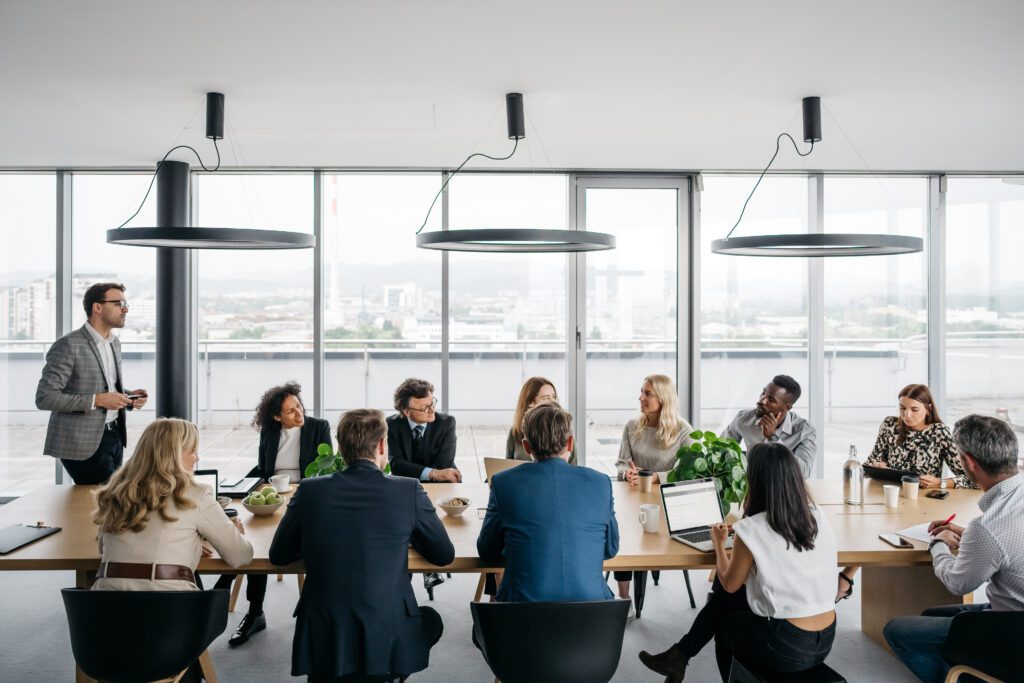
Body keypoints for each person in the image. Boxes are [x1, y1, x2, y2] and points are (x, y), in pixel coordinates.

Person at [270, 409, 455, 682]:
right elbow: (443, 555)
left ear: (341, 448)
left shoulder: (310, 490)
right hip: (386, 627)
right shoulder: (408, 490)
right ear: (382, 445)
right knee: (430, 620)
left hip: (325, 631)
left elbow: (279, 555)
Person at [639, 442, 838, 682]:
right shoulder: (818, 517)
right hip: (825, 640)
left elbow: (729, 582)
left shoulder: (752, 528)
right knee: (727, 600)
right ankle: (678, 657)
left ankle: (683, 659)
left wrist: (720, 544)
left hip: (786, 646)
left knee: (723, 616)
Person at [883, 415, 1023, 683]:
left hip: (1012, 630)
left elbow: (958, 583)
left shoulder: (989, 528)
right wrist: (970, 534)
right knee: (929, 615)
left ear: (969, 462)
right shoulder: (1007, 508)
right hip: (1013, 611)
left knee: (898, 630)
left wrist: (937, 545)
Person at [213, 382, 333, 647]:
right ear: (277, 417)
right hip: (273, 497)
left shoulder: (318, 427)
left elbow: (325, 470)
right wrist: (238, 487)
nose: (299, 414)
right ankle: (256, 612)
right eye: (291, 411)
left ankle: (227, 590)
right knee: (253, 540)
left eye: (299, 406)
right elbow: (263, 468)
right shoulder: (269, 431)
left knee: (274, 541)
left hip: (307, 496)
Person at [837, 383, 973, 602]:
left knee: (884, 529)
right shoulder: (890, 425)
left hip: (923, 504)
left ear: (928, 408)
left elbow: (970, 478)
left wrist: (942, 482)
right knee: (869, 529)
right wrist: (877, 467)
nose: (906, 415)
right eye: (902, 408)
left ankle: (845, 578)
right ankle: (846, 578)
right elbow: (870, 462)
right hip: (887, 497)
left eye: (913, 410)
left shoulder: (939, 432)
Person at [477, 402, 619, 602]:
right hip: (593, 622)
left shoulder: (503, 483)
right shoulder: (601, 483)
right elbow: (610, 549)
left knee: (482, 629)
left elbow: (487, 552)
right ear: (570, 443)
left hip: (520, 620)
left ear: (526, 447)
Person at [91, 418, 253, 592]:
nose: (197, 458)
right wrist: (233, 532)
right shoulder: (197, 494)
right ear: (173, 454)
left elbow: (103, 549)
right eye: (192, 451)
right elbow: (241, 556)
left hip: (105, 609)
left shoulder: (116, 492)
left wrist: (190, 542)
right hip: (171, 609)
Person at [35, 282, 149, 484]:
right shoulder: (68, 345)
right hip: (82, 443)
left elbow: (106, 386)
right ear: (97, 307)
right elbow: (46, 397)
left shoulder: (114, 342)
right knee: (102, 504)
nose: (126, 308)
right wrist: (98, 400)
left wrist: (128, 397)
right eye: (119, 303)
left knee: (110, 503)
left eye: (126, 303)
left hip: (114, 435)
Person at [613, 374, 694, 611]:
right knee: (622, 536)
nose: (641, 398)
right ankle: (624, 599)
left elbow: (688, 472)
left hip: (667, 503)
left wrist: (657, 477)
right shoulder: (632, 426)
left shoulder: (682, 430)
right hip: (633, 499)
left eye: (647, 393)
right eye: (641, 392)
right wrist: (626, 473)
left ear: (663, 398)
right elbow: (620, 463)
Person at [722, 375, 816, 478]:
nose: (761, 401)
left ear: (788, 407)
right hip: (751, 485)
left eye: (771, 399)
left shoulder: (805, 431)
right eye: (763, 393)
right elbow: (720, 449)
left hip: (785, 488)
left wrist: (773, 438)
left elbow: (804, 473)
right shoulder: (744, 419)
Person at [506, 377, 576, 464]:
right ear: (530, 403)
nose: (553, 401)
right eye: (546, 398)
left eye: (554, 396)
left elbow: (574, 467)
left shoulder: (565, 430)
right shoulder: (514, 433)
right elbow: (507, 466)